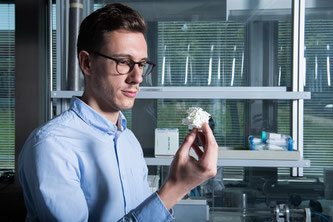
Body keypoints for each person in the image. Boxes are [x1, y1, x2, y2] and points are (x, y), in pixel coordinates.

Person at [18, 3, 218, 222]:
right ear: (87, 63)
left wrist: (181, 185)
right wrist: (174, 189)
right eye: (124, 62)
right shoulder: (52, 146)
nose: (138, 77)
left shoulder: (128, 141)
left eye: (141, 64)